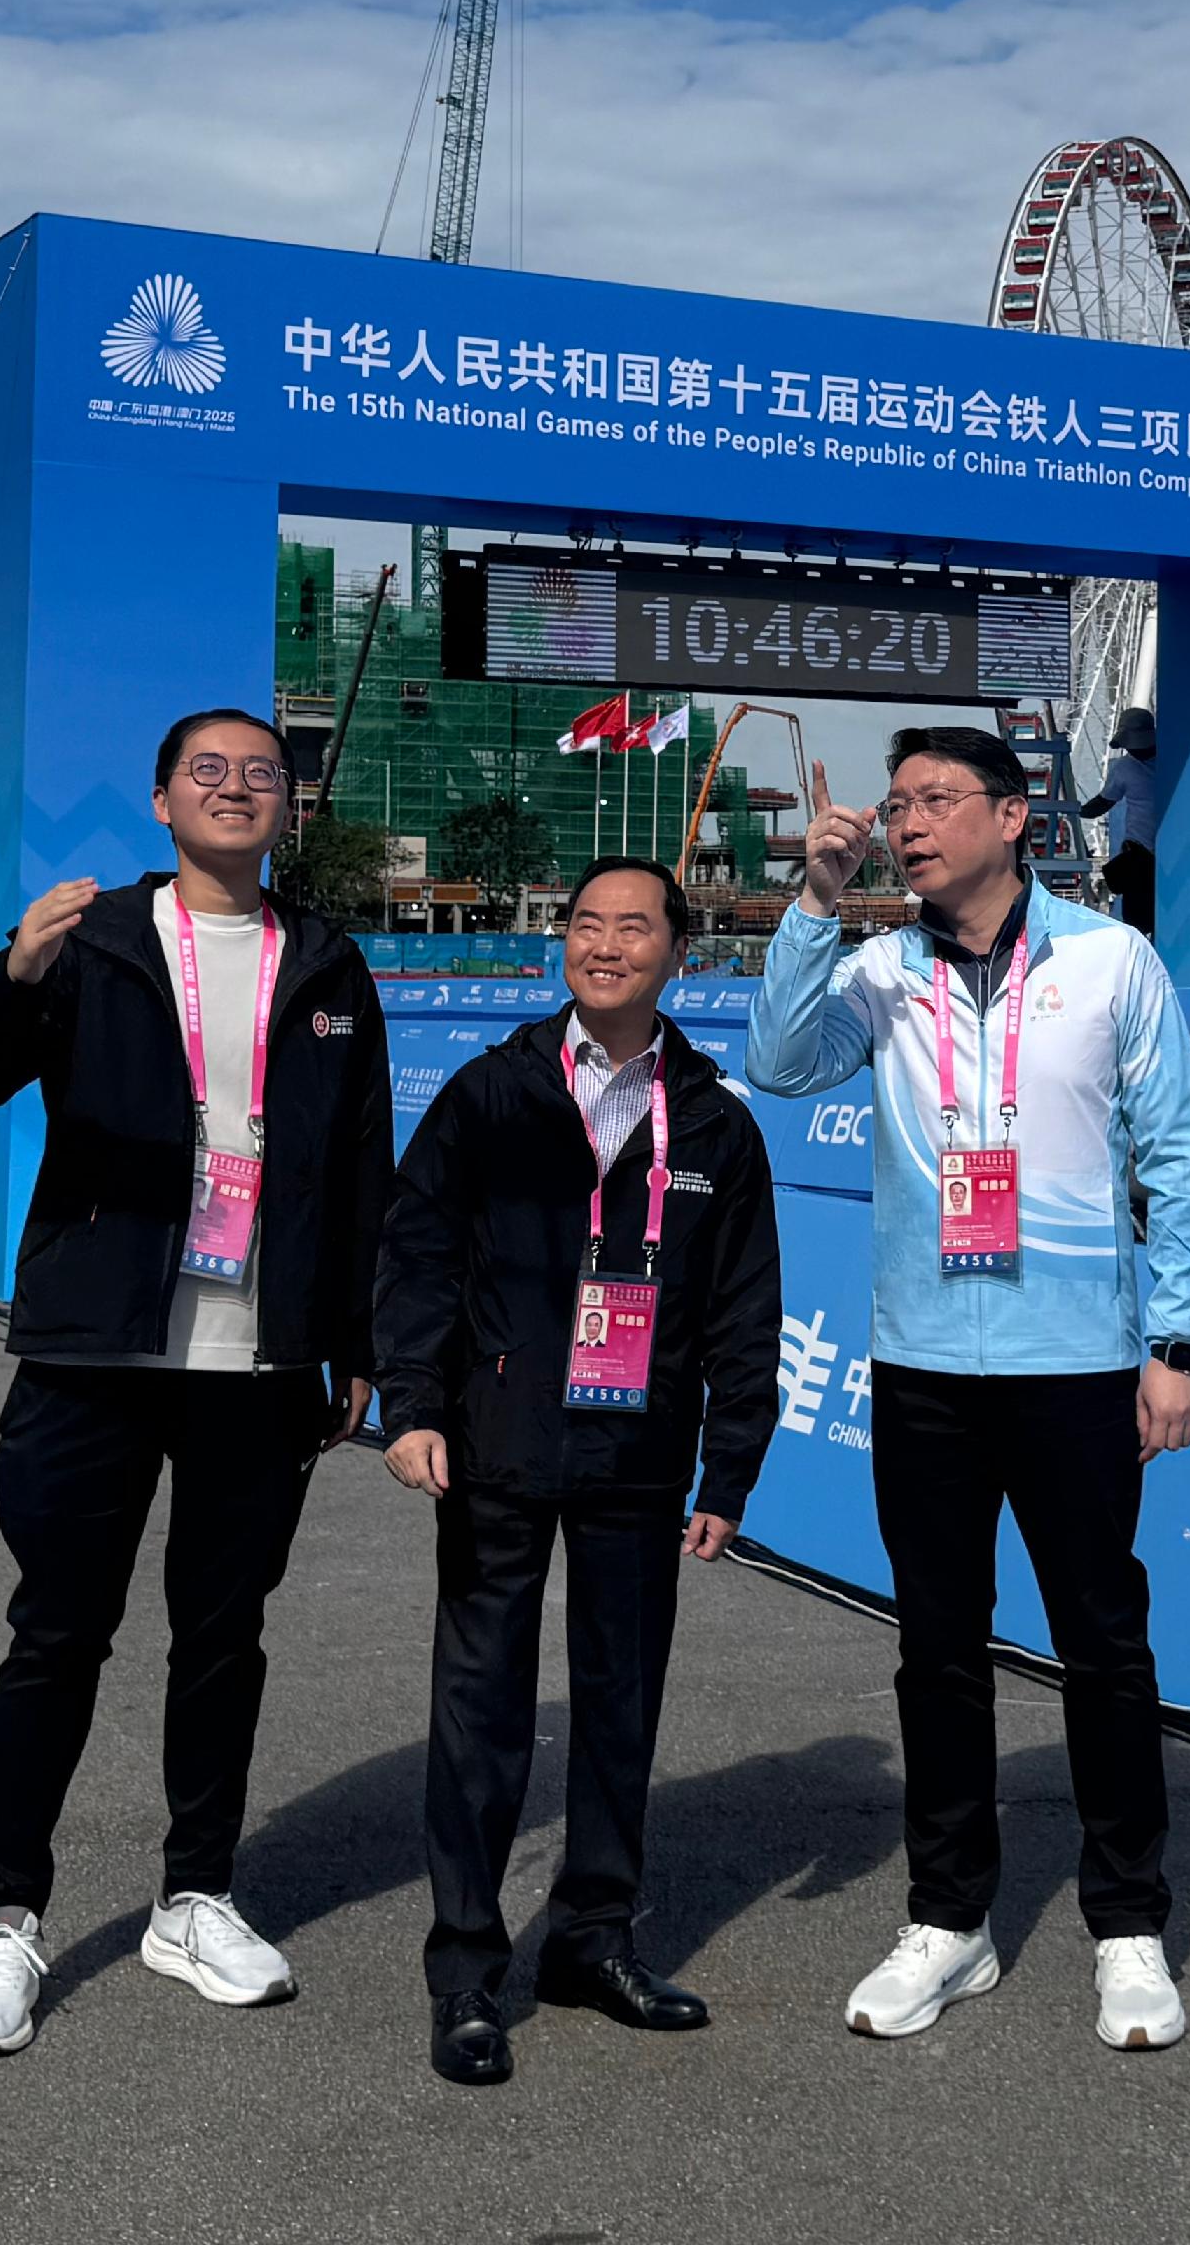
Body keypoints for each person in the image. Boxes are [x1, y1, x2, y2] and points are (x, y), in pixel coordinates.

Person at [0, 709, 396, 2060]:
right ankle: (10, 1918)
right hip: (95, 1346)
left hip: (256, 1355)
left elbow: (364, 1168)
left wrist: (357, 1343)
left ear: (287, 807)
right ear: (160, 800)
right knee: (59, 1634)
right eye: (212, 772)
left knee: (224, 1637)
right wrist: (13, 974)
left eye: (263, 775)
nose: (240, 791)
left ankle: (196, 1895)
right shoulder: (98, 940)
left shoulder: (331, 963)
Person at [749, 723, 1190, 2052]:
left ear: (1015, 820)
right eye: (897, 803)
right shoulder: (883, 973)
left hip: (1076, 1371)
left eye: (937, 800)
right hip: (923, 1371)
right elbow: (780, 1065)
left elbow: (1180, 1156)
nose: (908, 822)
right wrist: (814, 902)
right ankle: (949, 1921)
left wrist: (1175, 1347)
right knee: (936, 1654)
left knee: (1102, 1646)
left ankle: (1127, 1925)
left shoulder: (1111, 961)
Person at [374, 856, 782, 2086]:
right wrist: (413, 1406)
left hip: (639, 1457)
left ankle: (591, 1940)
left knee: (619, 1708)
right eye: (588, 926)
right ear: (563, 944)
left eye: (635, 928)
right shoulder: (494, 1091)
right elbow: (419, 1254)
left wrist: (731, 1470)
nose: (607, 946)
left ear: (679, 953)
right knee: (482, 1715)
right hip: (497, 1445)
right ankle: (465, 1970)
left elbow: (743, 1312)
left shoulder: (713, 1119)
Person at [1077, 707, 1161, 934]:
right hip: (1154, 851)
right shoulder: (1173, 759)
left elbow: (1103, 802)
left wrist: (1076, 811)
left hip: (1138, 852)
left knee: (1138, 921)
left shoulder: (1124, 768)